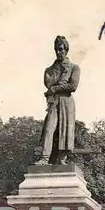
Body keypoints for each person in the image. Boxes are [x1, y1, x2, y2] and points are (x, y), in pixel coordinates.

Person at [35, 35, 80, 165]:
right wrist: (54, 86)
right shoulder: (51, 69)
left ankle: (62, 159)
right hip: (54, 102)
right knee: (49, 128)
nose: (58, 52)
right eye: (56, 49)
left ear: (66, 50)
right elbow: (48, 82)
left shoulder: (74, 67)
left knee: (65, 130)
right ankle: (44, 158)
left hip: (66, 102)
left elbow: (73, 86)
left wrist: (54, 89)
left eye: (61, 49)